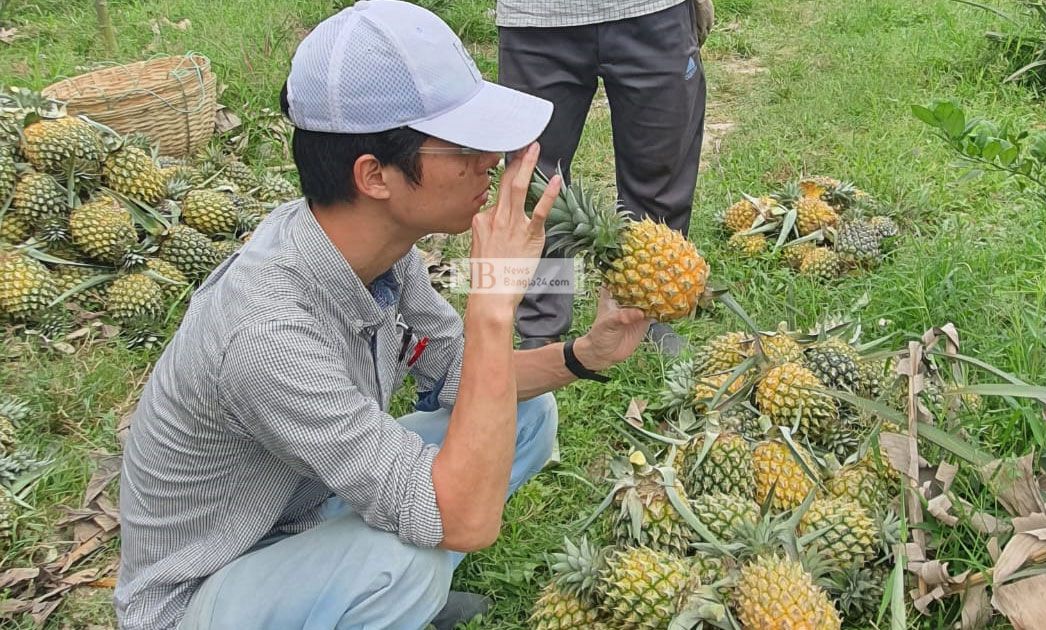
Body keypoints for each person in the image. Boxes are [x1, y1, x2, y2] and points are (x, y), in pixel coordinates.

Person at [113, 2, 652, 628]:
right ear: (374, 176)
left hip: (300, 514)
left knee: (524, 410)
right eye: (465, 144)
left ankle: (362, 595)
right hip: (208, 589)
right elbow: (466, 520)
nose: (491, 160)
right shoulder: (268, 334)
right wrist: (493, 304)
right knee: (407, 562)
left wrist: (582, 355)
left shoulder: (379, 253)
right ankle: (374, 593)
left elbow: (459, 373)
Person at [496, 0, 714, 355]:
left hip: (653, 10)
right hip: (535, 18)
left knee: (659, 172)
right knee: (536, 178)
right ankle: (539, 326)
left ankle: (643, 312)